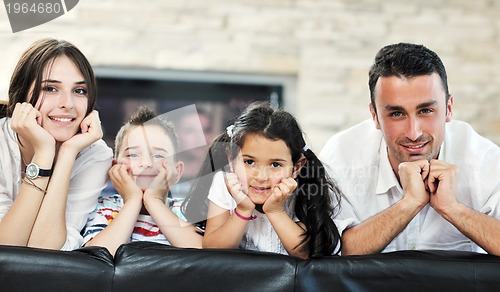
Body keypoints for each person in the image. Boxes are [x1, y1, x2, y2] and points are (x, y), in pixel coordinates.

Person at [319, 42, 500, 255]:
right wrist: (408, 204)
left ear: (448, 109)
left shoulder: (485, 161)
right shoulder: (341, 158)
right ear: (375, 116)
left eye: (426, 111)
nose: (413, 133)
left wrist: (453, 208)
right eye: (396, 114)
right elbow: (331, 252)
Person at [188, 101, 341, 259]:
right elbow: (213, 249)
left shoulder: (304, 187)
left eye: (275, 164)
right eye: (249, 162)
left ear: (296, 167)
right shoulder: (224, 183)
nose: (261, 177)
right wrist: (243, 210)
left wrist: (276, 211)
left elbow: (307, 254)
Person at [0, 38, 112, 250]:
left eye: (79, 91)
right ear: (21, 95)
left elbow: (46, 250)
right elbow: (6, 248)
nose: (67, 104)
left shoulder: (94, 154)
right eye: (50, 88)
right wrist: (43, 153)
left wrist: (67, 153)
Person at [83, 106, 202, 255]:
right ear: (115, 167)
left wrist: (154, 201)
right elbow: (96, 257)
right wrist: (133, 200)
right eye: (133, 155)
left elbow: (203, 255)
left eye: (158, 156)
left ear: (177, 172)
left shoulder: (187, 210)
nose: (146, 163)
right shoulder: (104, 208)